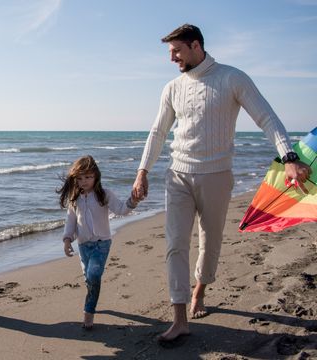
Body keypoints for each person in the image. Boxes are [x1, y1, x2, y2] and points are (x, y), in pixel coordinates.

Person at [131, 24, 312, 343]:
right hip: (178, 174)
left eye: (176, 51)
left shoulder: (232, 78)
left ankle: (200, 288)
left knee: (210, 242)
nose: (172, 58)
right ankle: (179, 318)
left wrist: (289, 158)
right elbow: (157, 133)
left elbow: (266, 118)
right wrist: (143, 171)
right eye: (170, 52)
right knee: (175, 243)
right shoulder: (172, 88)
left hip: (217, 175)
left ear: (196, 46)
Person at [58, 155, 140, 330]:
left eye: (88, 177)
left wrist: (133, 201)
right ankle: (92, 296)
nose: (84, 181)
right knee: (89, 279)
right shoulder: (75, 199)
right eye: (80, 178)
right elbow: (71, 222)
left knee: (94, 275)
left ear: (96, 175)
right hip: (83, 245)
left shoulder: (104, 194)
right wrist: (67, 240)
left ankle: (89, 313)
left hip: (102, 244)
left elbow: (121, 209)